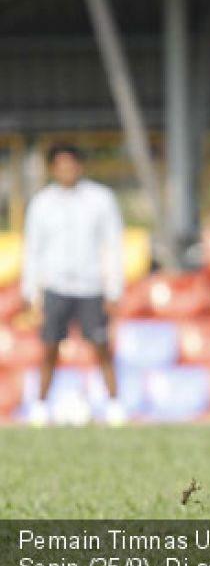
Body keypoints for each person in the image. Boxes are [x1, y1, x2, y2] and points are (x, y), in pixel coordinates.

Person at [21, 144, 126, 426]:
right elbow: (33, 250)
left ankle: (115, 405)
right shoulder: (42, 202)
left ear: (80, 165)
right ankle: (40, 406)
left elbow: (113, 245)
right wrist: (32, 293)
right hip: (55, 285)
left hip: (91, 286)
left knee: (101, 346)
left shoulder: (101, 198)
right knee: (50, 347)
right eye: (60, 165)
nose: (66, 170)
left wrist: (114, 288)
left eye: (71, 164)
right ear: (53, 169)